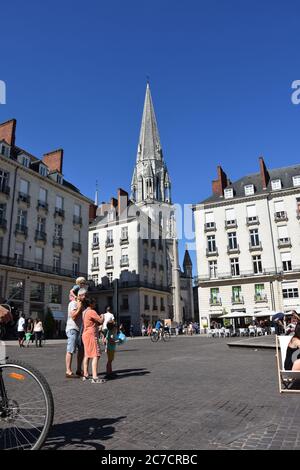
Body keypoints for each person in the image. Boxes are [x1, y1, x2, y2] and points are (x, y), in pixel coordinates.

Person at [65, 287, 87, 378]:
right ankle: (68, 371)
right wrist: (79, 308)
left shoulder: (81, 304)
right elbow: (73, 316)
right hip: (72, 329)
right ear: (80, 295)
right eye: (85, 295)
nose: (86, 297)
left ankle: (78, 369)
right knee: (70, 349)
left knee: (81, 350)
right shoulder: (73, 303)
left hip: (80, 329)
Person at [82, 298, 105, 383]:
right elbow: (101, 320)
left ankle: (85, 374)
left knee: (87, 355)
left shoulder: (84, 312)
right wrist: (102, 315)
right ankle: (95, 377)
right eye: (94, 303)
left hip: (85, 334)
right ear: (91, 304)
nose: (95, 304)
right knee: (96, 354)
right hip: (91, 335)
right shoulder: (92, 311)